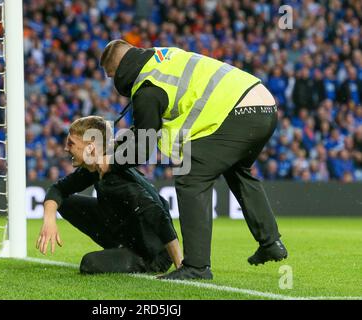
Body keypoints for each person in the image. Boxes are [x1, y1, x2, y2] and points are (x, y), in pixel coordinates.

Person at [99, 39, 288, 280]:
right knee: (237, 170)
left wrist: (111, 162)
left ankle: (197, 267)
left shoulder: (147, 87)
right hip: (263, 103)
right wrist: (117, 149)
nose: (112, 82)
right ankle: (270, 242)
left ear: (120, 70)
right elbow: (143, 132)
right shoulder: (161, 59)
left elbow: (143, 146)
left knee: (191, 176)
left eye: (111, 75)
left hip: (237, 112)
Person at [36, 116, 182, 274]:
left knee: (89, 264)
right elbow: (58, 189)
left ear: (90, 147)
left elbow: (158, 214)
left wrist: (180, 266)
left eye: (71, 143)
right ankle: (119, 248)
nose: (66, 148)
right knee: (64, 202)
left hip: (152, 253)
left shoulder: (115, 179)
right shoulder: (94, 168)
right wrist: (49, 220)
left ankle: (138, 260)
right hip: (129, 234)